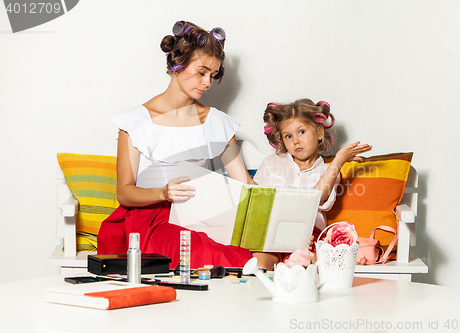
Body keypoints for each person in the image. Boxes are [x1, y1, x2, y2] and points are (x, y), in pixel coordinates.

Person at [97, 21, 258, 269]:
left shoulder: (217, 123)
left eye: (213, 76)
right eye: (202, 72)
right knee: (197, 248)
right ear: (177, 65)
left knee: (268, 240)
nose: (207, 82)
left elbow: (245, 183)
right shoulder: (136, 121)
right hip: (153, 218)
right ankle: (256, 266)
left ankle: (262, 265)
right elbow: (124, 193)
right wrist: (163, 193)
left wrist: (282, 205)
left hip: (202, 213)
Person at [253, 99, 372, 264]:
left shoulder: (328, 171)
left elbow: (318, 197)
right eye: (288, 136)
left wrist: (338, 162)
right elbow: (255, 201)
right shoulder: (272, 163)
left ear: (319, 132)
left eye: (301, 132)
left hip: (307, 235)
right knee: (259, 265)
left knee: (305, 265)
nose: (295, 140)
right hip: (272, 232)